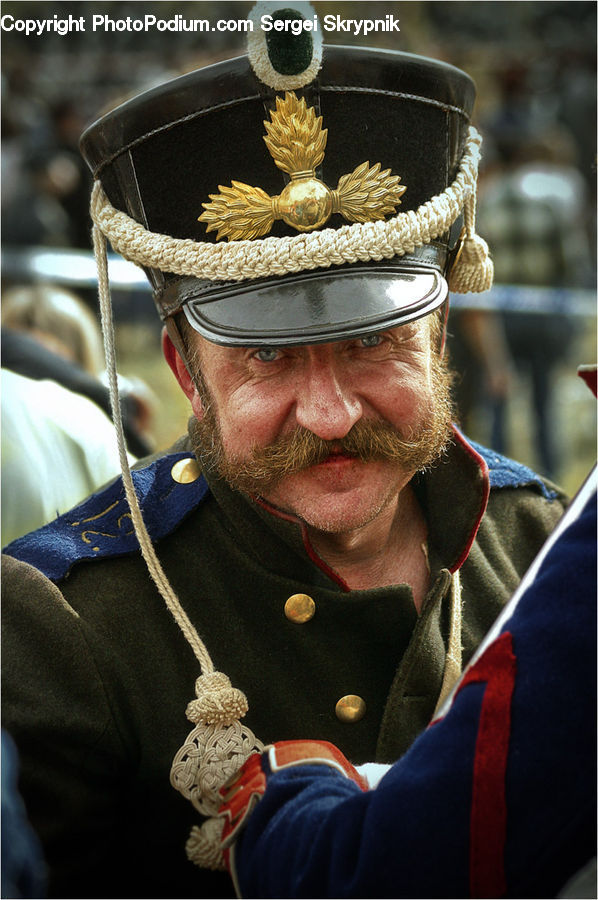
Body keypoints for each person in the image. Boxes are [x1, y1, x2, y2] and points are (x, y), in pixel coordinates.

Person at [1, 5, 567, 898]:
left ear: (441, 335)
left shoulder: (545, 544)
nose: (334, 414)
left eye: (375, 342)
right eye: (267, 357)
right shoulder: (59, 626)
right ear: (186, 371)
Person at [214, 464, 596, 899]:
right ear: (194, 392)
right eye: (268, 388)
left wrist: (283, 808)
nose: (332, 419)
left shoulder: (533, 521)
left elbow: (403, 869)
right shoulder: (122, 591)